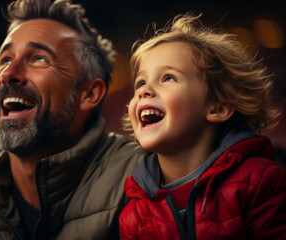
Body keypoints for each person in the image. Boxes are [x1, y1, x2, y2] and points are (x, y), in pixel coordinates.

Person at [0, 0, 145, 239]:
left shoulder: (145, 177)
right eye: (5, 60)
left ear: (88, 94)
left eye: (39, 58)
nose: (8, 74)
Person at [119, 13, 286, 239]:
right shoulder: (133, 213)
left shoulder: (259, 181)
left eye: (168, 78)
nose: (143, 91)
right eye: (141, 82)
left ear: (217, 108)